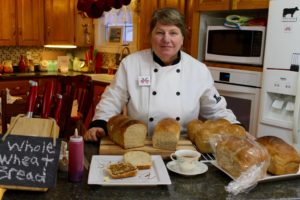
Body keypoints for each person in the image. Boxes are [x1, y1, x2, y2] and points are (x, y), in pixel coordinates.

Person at [84, 7, 239, 142]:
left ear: (182, 38)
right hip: (140, 142)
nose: (166, 39)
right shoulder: (131, 64)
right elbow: (112, 99)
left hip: (184, 146)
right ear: (151, 36)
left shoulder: (198, 70)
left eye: (173, 33)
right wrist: (99, 123)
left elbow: (216, 110)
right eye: (160, 32)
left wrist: (236, 127)